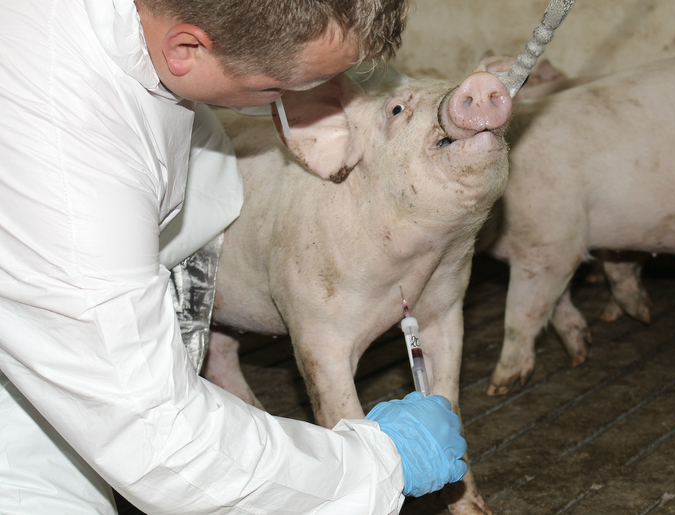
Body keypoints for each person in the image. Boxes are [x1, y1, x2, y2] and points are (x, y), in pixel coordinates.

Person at [0, 0, 469, 513]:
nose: (303, 103)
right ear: (186, 48)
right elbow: (160, 439)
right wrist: (380, 463)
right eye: (279, 88)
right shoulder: (71, 170)